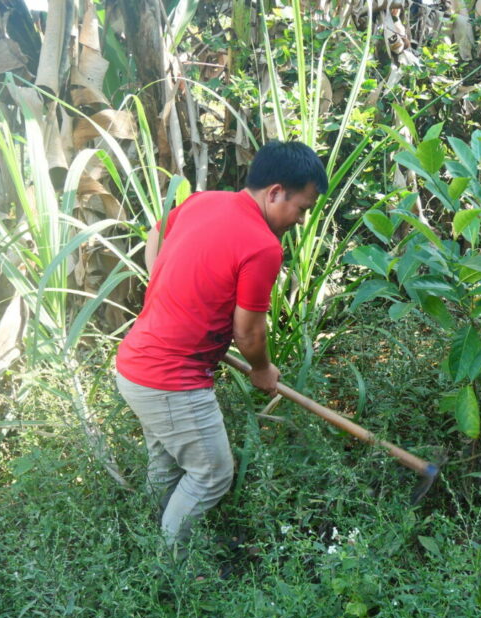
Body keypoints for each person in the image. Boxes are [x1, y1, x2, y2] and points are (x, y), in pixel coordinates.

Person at [115, 141, 328, 550]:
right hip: (171, 381)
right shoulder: (263, 246)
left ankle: (142, 542)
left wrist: (168, 286)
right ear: (276, 192)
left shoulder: (203, 201)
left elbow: (156, 233)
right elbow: (249, 334)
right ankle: (167, 569)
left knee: (165, 464)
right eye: (301, 208)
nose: (300, 220)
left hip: (135, 367)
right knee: (212, 474)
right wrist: (263, 370)